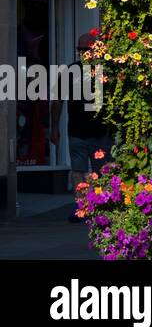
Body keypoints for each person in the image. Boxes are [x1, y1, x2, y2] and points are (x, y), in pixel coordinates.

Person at [56, 33, 111, 222]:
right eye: (79, 50)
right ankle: (82, 206)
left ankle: (98, 206)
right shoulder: (71, 71)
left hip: (100, 132)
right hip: (79, 131)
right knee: (79, 171)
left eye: (85, 49)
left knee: (100, 171)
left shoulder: (104, 72)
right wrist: (54, 127)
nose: (82, 53)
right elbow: (57, 100)